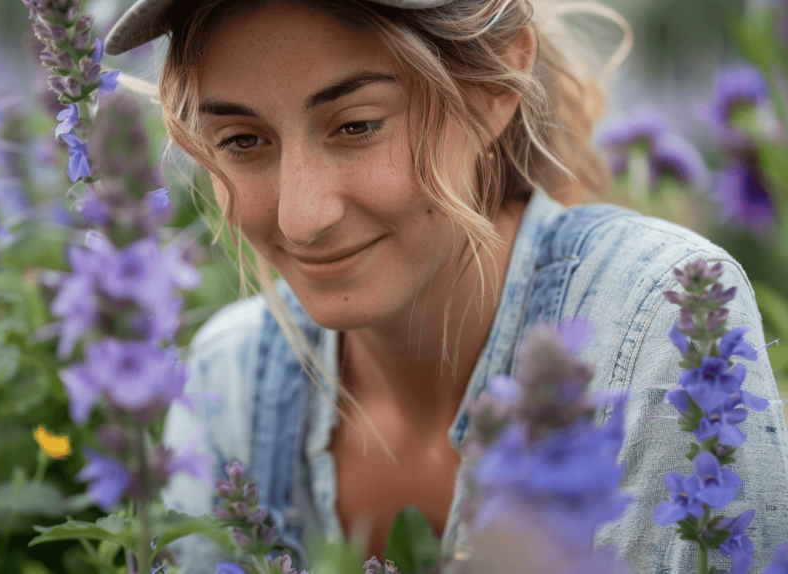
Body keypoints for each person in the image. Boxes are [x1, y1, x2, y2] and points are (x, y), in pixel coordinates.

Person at [102, 0, 788, 572]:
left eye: (357, 126)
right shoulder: (230, 382)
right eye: (243, 141)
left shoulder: (657, 324)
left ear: (496, 87)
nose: (301, 218)